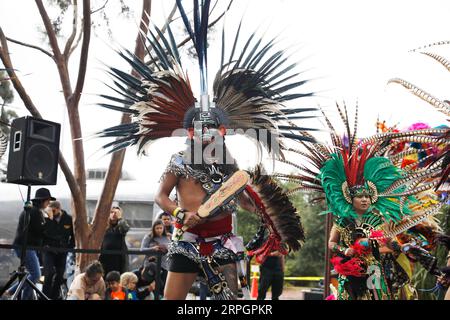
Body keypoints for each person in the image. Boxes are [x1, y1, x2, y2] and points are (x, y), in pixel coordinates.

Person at [96, 0, 313, 300]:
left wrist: (263, 209)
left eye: (211, 128)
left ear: (222, 131)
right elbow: (160, 195)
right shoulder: (179, 160)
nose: (205, 132)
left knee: (228, 301)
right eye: (200, 128)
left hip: (223, 238)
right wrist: (180, 213)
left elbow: (240, 196)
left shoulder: (229, 163)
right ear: (189, 131)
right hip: (187, 236)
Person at [6, 188, 55, 300]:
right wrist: (50, 219)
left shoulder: (33, 211)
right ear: (43, 200)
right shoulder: (35, 212)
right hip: (26, 248)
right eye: (48, 201)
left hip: (26, 247)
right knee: (36, 275)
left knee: (31, 275)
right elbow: (41, 230)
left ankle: (16, 294)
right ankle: (12, 292)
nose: (48, 204)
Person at [42, 200, 75, 299]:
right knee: (49, 273)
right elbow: (43, 233)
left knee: (60, 275)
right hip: (49, 250)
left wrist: (69, 247)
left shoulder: (68, 219)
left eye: (53, 211)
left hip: (62, 251)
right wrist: (49, 218)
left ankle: (54, 296)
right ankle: (44, 296)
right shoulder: (47, 218)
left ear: (58, 209)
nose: (52, 213)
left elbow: (73, 235)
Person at [140, 219, 170, 297]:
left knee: (162, 289)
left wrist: (166, 248)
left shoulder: (167, 237)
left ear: (163, 228)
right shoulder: (149, 237)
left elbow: (172, 250)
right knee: (155, 287)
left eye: (161, 228)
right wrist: (153, 248)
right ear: (153, 228)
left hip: (164, 266)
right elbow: (142, 249)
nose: (159, 230)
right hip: (151, 265)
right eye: (157, 228)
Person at [99, 206, 130, 275]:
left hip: (118, 259)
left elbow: (125, 228)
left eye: (116, 213)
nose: (113, 214)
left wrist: (120, 218)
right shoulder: (104, 226)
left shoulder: (121, 225)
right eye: (112, 212)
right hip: (104, 258)